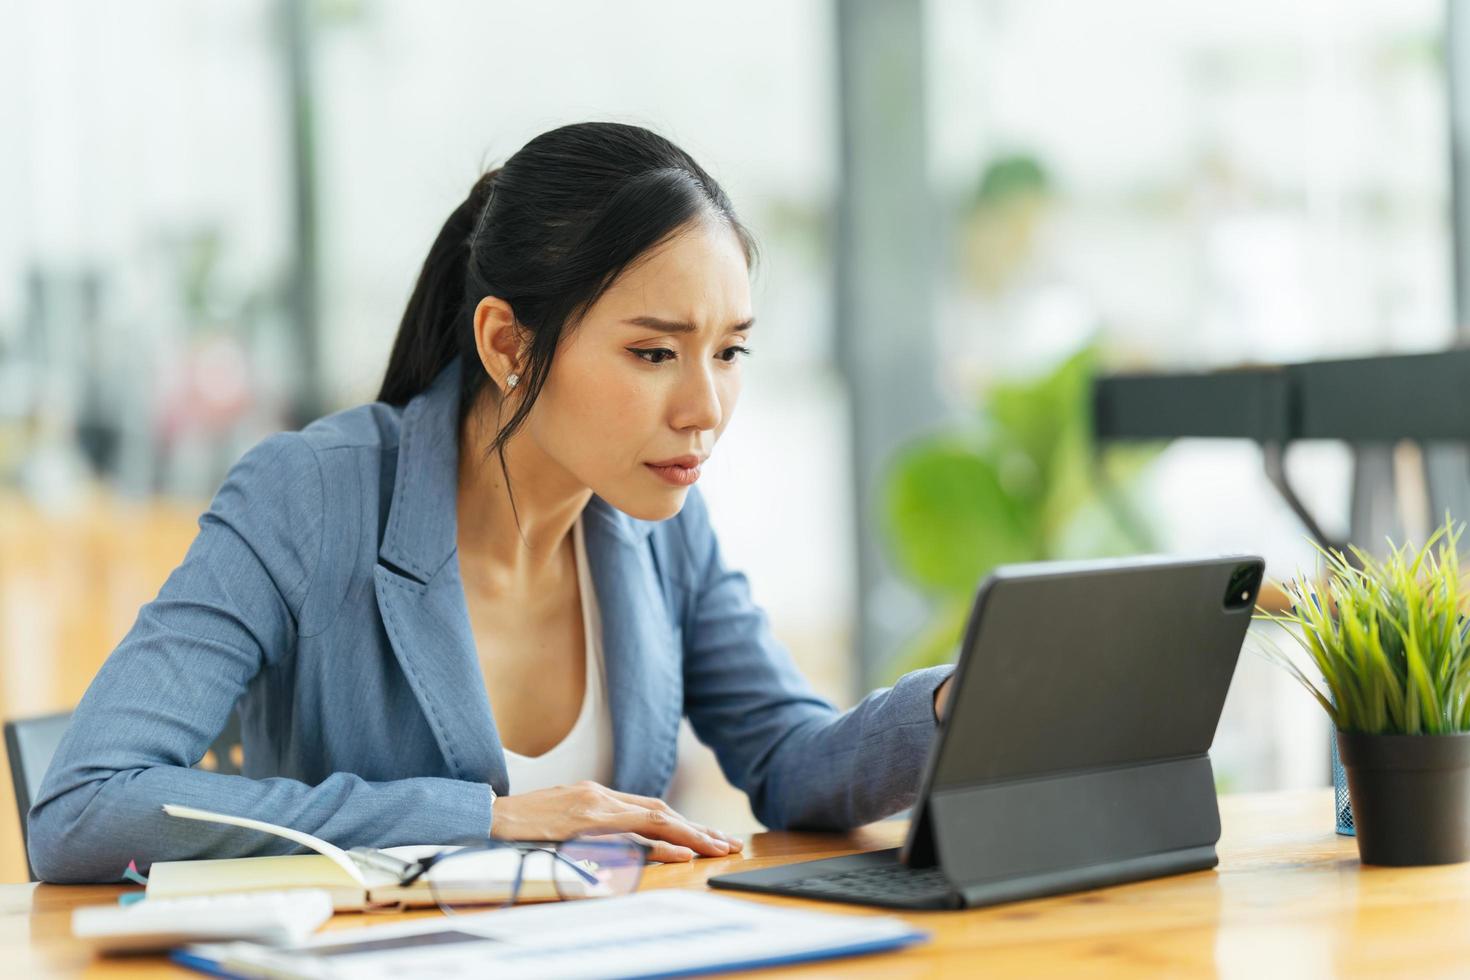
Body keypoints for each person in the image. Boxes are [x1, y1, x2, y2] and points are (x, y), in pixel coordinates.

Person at [27, 122, 955, 883]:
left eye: (730, 351)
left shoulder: (657, 520)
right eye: (654, 352)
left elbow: (791, 765)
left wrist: (957, 705)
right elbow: (85, 807)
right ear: (508, 344)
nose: (704, 408)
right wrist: (486, 820)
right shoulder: (310, 496)